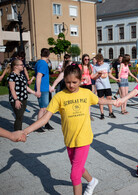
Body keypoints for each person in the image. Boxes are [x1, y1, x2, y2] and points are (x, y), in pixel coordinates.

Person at [20, 65, 117, 195]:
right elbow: (44, 119)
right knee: (78, 168)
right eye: (67, 82)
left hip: (84, 139)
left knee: (74, 175)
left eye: (74, 82)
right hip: (70, 140)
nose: (71, 85)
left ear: (81, 80)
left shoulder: (86, 93)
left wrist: (115, 102)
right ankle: (92, 181)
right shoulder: (59, 97)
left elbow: (99, 100)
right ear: (64, 80)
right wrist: (25, 131)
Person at [7, 59, 36, 131]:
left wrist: (34, 93)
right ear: (16, 66)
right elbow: (12, 89)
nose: (23, 66)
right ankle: (17, 132)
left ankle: (18, 131)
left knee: (20, 116)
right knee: (19, 116)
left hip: (24, 98)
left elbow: (25, 86)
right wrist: (16, 100)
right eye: (21, 65)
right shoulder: (12, 76)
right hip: (16, 99)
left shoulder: (21, 75)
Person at [91, 53, 119, 119]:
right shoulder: (95, 67)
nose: (99, 63)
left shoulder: (106, 65)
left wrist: (115, 79)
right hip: (99, 85)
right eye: (98, 61)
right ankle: (102, 113)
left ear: (102, 60)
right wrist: (98, 74)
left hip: (107, 85)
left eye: (100, 61)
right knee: (101, 99)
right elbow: (93, 78)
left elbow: (109, 74)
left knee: (109, 98)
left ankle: (110, 112)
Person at [34, 48, 53, 132]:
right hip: (42, 89)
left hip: (44, 88)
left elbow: (44, 78)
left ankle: (45, 123)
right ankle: (38, 126)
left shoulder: (39, 63)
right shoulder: (43, 64)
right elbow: (39, 76)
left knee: (45, 108)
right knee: (43, 108)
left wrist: (49, 86)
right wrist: (38, 90)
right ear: (48, 55)